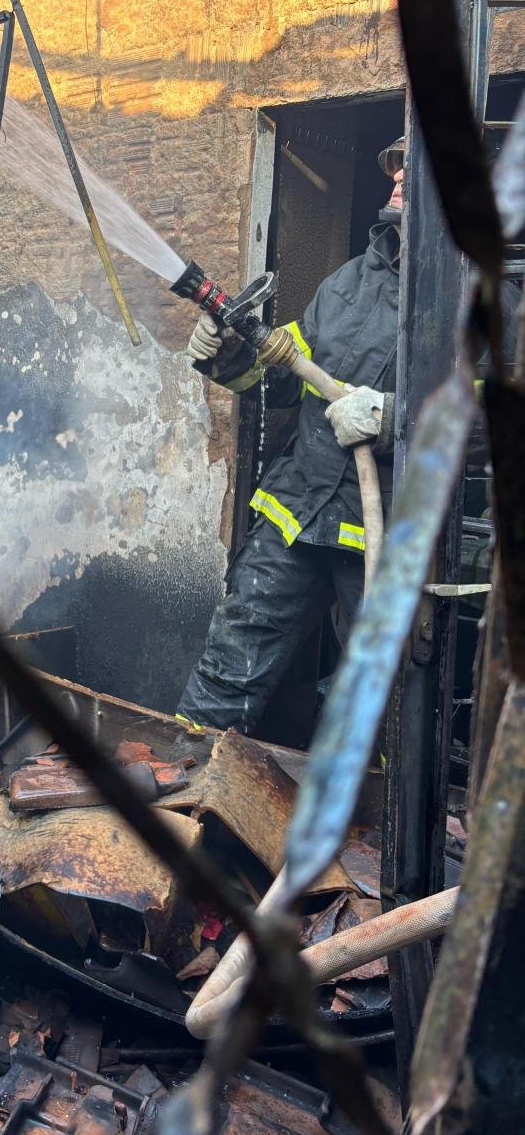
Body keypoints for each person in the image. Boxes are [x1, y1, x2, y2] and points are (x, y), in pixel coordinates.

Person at [176, 142, 405, 734]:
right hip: (297, 512)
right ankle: (189, 777)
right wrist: (227, 354)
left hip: (388, 537)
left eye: (415, 164)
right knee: (227, 669)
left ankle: (374, 797)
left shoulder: (489, 299)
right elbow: (284, 379)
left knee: (386, 702)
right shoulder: (348, 282)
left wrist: (392, 418)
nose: (399, 174)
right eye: (395, 163)